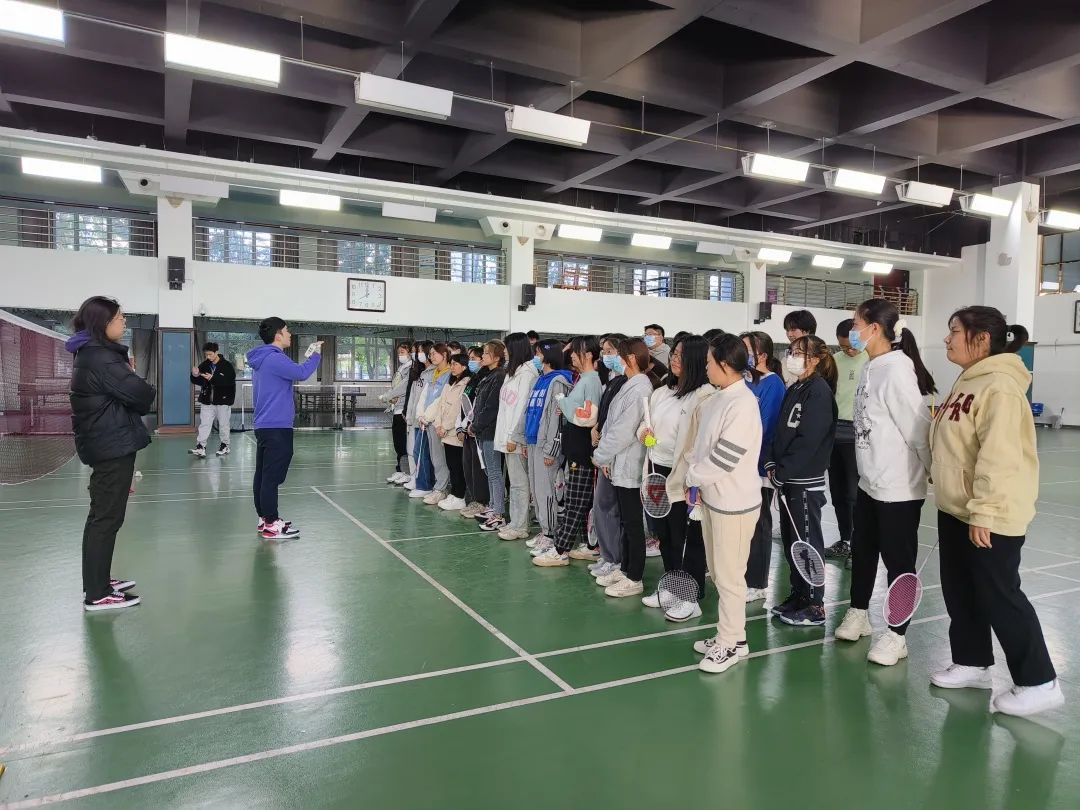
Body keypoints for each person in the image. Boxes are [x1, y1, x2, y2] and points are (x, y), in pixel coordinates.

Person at [929, 306, 1063, 717]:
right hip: (957, 507)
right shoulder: (969, 378)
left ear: (982, 339)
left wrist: (985, 511)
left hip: (990, 512)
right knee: (961, 589)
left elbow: (999, 456)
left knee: (998, 593)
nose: (948, 338)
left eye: (955, 331)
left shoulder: (1000, 386)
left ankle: (1039, 681)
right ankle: (971, 662)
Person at [834, 300, 936, 666]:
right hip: (870, 484)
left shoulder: (897, 369)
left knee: (899, 562)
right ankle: (859, 612)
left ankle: (897, 634)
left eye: (856, 324)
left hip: (898, 488)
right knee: (863, 553)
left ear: (874, 328)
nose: (852, 331)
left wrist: (934, 470)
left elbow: (918, 428)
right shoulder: (871, 365)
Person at [67, 296, 156, 611]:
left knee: (102, 516)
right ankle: (97, 593)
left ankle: (99, 580)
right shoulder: (101, 357)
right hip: (110, 444)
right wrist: (133, 379)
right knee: (106, 518)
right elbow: (142, 394)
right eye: (120, 317)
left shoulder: (94, 354)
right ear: (102, 323)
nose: (124, 322)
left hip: (107, 442)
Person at [687, 335, 763, 673]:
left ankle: (728, 644)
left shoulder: (742, 404)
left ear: (725, 365)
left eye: (709, 362)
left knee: (731, 577)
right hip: (713, 499)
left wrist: (693, 477)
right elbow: (703, 447)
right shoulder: (718, 398)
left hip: (735, 503)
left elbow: (724, 458)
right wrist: (696, 480)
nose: (705, 367)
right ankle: (736, 637)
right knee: (719, 573)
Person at [766, 335, 837, 627]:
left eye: (800, 352)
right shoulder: (796, 387)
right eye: (791, 351)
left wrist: (783, 471)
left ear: (816, 359)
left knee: (807, 542)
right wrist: (772, 462)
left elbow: (809, 440)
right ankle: (799, 594)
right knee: (792, 541)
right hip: (788, 480)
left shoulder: (818, 392)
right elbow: (781, 430)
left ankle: (815, 604)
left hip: (805, 481)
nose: (792, 356)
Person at [641, 334, 714, 619]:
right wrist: (645, 434)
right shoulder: (663, 392)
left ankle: (691, 596)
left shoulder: (704, 396)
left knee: (688, 537)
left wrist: (693, 479)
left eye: (681, 355)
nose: (674, 359)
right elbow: (645, 425)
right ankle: (672, 586)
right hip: (657, 470)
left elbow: (702, 441)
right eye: (674, 353)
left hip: (684, 476)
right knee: (666, 535)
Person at [583, 338, 653, 597]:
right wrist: (607, 458)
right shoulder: (628, 384)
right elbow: (613, 424)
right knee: (626, 520)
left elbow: (623, 431)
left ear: (631, 358)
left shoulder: (640, 388)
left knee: (633, 524)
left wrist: (601, 455)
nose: (613, 358)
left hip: (631, 465)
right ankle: (625, 569)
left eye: (618, 354)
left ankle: (634, 577)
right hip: (619, 463)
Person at [247, 318, 322, 540]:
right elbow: (301, 373)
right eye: (287, 331)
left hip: (265, 425)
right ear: (278, 334)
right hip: (277, 426)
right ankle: (271, 523)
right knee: (271, 477)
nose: (290, 334)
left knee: (263, 475)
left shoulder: (262, 359)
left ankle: (265, 519)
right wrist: (315, 355)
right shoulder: (274, 358)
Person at [534, 336, 602, 566]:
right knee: (580, 502)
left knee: (574, 502)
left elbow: (588, 416)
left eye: (576, 351)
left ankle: (560, 549)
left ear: (589, 354)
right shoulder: (584, 379)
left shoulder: (591, 381)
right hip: (575, 448)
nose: (571, 355)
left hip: (582, 451)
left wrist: (563, 403)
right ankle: (589, 545)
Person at [575, 334, 629, 567]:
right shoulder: (611, 381)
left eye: (610, 351)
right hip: (604, 449)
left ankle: (614, 558)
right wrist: (596, 427)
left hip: (614, 455)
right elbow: (606, 414)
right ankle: (607, 555)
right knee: (602, 507)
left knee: (610, 508)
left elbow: (621, 425)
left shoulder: (627, 383)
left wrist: (605, 453)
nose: (605, 356)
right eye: (604, 351)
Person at [740, 331, 785, 603]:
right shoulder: (742, 381)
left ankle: (757, 582)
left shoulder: (773, 384)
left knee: (759, 523)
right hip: (736, 465)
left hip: (758, 466)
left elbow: (766, 428)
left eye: (746, 349)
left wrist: (753, 459)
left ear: (763, 355)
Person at [521, 339, 573, 549]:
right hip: (533, 441)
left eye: (539, 353)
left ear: (549, 355)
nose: (536, 357)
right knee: (536, 490)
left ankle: (551, 534)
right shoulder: (538, 380)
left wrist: (552, 449)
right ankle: (544, 530)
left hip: (547, 446)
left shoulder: (559, 381)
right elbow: (528, 411)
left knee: (546, 491)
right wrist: (523, 439)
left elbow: (557, 419)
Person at [824, 319, 867, 559]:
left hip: (857, 435)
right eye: (843, 347)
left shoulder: (871, 360)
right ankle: (845, 540)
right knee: (837, 492)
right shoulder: (834, 361)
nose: (849, 351)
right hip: (833, 434)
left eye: (851, 346)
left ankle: (858, 544)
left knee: (853, 493)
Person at [494, 332, 539, 540]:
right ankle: (515, 522)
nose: (504, 351)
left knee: (520, 484)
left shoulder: (528, 374)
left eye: (506, 348)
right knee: (515, 483)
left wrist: (514, 437)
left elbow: (522, 409)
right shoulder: (512, 372)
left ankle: (521, 526)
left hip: (516, 439)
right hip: (506, 436)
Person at [424, 352, 471, 512]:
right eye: (451, 364)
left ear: (464, 366)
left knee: (457, 465)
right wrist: (438, 424)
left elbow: (458, 409)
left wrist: (445, 427)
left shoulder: (465, 383)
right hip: (443, 431)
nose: (452, 367)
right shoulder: (450, 383)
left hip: (454, 432)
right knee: (451, 464)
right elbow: (441, 405)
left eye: (455, 364)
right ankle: (454, 493)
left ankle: (460, 496)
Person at [469, 340, 508, 530]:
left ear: (497, 357)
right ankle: (493, 506)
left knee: (494, 472)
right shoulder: (489, 375)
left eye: (486, 353)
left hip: (491, 431)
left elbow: (491, 407)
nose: (482, 356)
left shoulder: (499, 376)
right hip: (484, 431)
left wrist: (476, 425)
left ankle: (498, 513)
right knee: (489, 471)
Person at [418, 344, 453, 505]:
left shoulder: (449, 374)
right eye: (430, 354)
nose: (431, 357)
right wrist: (421, 415)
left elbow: (440, 400)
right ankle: (439, 487)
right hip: (428, 420)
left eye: (434, 354)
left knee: (440, 457)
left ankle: (441, 489)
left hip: (438, 421)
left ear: (444, 354)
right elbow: (426, 397)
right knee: (434, 456)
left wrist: (428, 416)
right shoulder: (434, 373)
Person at [188, 341, 236, 459]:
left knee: (224, 424)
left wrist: (212, 378)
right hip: (207, 401)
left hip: (223, 401)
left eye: (210, 354)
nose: (208, 357)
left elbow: (228, 382)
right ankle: (201, 447)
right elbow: (198, 380)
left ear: (216, 352)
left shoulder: (227, 366)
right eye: (206, 355)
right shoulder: (205, 365)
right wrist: (194, 375)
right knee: (204, 424)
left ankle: (225, 445)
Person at [459, 346, 490, 518]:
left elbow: (482, 407)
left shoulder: (487, 378)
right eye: (469, 358)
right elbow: (465, 403)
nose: (471, 361)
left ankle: (481, 502)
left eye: (474, 358)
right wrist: (462, 425)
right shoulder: (473, 379)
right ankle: (473, 500)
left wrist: (473, 425)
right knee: (468, 466)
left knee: (479, 469)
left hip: (478, 430)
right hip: (468, 428)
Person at [380, 341, 413, 483]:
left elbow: (402, 388)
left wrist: (387, 396)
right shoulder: (401, 368)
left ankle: (407, 472)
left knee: (404, 444)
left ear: (410, 353)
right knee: (398, 444)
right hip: (396, 409)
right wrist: (391, 399)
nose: (400, 355)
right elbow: (395, 386)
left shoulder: (411, 368)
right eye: (399, 352)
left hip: (403, 411)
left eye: (403, 352)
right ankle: (400, 470)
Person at [402, 340, 433, 492]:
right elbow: (413, 397)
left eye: (420, 351)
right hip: (415, 418)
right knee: (415, 452)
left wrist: (423, 416)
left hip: (425, 420)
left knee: (422, 453)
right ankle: (418, 480)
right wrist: (409, 414)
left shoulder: (433, 373)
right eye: (417, 351)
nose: (418, 354)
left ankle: (425, 484)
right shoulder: (419, 372)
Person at [782, 310, 818, 385]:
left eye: (793, 330)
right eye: (787, 330)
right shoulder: (786, 359)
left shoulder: (820, 357)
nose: (789, 334)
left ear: (807, 331)